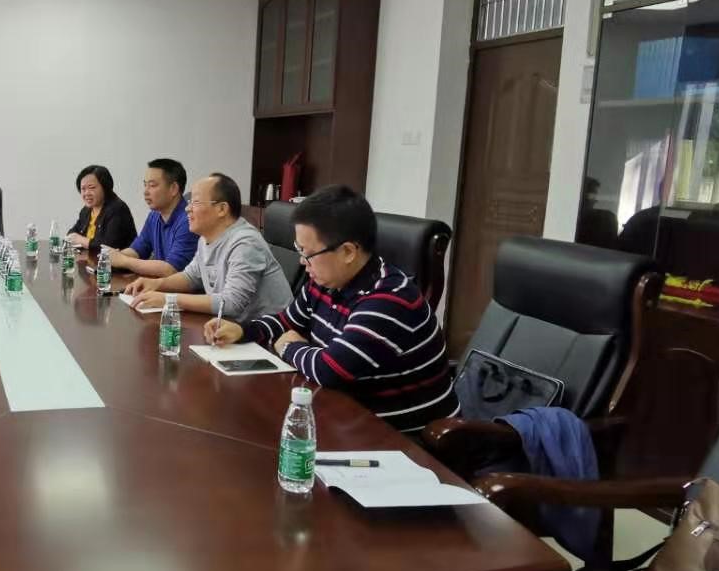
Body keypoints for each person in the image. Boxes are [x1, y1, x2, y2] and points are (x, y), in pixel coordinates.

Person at [204, 185, 458, 434]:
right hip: (344, 417)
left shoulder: (389, 299)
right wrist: (242, 331)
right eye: (299, 250)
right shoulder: (326, 282)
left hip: (404, 440)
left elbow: (331, 370)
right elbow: (285, 322)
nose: (302, 262)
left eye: (308, 253)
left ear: (348, 252)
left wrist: (289, 347)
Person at [126, 172, 291, 322]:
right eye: (189, 202)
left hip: (267, 334)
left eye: (195, 202)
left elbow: (232, 303)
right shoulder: (205, 238)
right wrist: (157, 284)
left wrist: (169, 300)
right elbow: (191, 277)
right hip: (229, 327)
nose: (187, 208)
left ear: (222, 209)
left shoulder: (246, 243)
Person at [107, 158, 199, 277]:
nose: (145, 191)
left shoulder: (188, 220)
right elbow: (138, 250)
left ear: (173, 189)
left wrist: (123, 261)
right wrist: (113, 256)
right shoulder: (154, 215)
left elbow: (170, 269)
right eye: (145, 185)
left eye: (152, 185)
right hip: (160, 284)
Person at [65, 164, 137, 252]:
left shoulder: (117, 209)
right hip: (90, 259)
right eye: (83, 189)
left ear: (105, 187)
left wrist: (82, 241)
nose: (87, 193)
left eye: (91, 188)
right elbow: (72, 234)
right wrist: (73, 238)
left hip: (116, 260)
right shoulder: (86, 210)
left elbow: (108, 246)